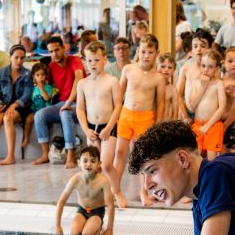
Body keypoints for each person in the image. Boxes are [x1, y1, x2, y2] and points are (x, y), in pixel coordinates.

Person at [115, 34, 166, 207]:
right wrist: (114, 116)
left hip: (145, 118)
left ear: (156, 53)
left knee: (143, 158)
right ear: (138, 51)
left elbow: (161, 103)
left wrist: (157, 127)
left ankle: (143, 192)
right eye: (143, 51)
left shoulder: (158, 78)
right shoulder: (128, 69)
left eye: (150, 52)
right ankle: (116, 191)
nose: (146, 55)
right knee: (120, 153)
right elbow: (118, 95)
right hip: (126, 115)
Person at [76, 41, 122, 204]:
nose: (93, 64)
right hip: (91, 129)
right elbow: (80, 109)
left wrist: (109, 127)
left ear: (104, 59)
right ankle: (97, 195)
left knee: (107, 164)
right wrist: (86, 130)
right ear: (85, 61)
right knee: (93, 166)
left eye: (96, 60)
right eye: (89, 61)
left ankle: (117, 192)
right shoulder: (82, 83)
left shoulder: (112, 81)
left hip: (108, 127)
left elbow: (118, 106)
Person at [32, 35, 84, 169]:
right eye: (51, 51)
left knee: (65, 114)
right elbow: (46, 86)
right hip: (62, 103)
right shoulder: (51, 66)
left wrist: (69, 101)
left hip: (78, 103)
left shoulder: (74, 60)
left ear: (64, 48)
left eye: (57, 50)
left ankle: (70, 155)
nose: (54, 54)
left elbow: (79, 78)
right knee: (39, 115)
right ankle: (45, 154)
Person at [0, 44, 33, 166]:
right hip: (4, 105)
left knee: (8, 117)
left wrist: (14, 105)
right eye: (16, 57)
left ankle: (11, 156)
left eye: (22, 58)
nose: (19, 61)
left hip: (20, 107)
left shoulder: (27, 74)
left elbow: (27, 95)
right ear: (10, 57)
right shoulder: (2, 72)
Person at [55, 145, 115, 235]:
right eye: (85, 161)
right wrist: (57, 226)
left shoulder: (103, 181)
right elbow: (61, 201)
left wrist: (109, 229)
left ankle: (99, 228)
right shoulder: (75, 179)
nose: (89, 164)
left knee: (87, 234)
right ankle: (90, 225)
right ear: (79, 163)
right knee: (73, 234)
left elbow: (111, 205)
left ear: (99, 164)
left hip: (96, 212)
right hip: (82, 211)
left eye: (93, 161)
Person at [188, 48, 226, 161]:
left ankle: (211, 178)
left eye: (210, 67)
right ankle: (200, 179)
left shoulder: (219, 84)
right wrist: (203, 86)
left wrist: (208, 126)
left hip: (213, 126)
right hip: (198, 124)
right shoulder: (195, 83)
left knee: (211, 160)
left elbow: (222, 108)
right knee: (197, 159)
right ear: (200, 66)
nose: (206, 70)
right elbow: (192, 104)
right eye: (203, 66)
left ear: (217, 68)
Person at [177, 29, 212, 122]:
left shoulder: (214, 69)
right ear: (191, 48)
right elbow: (178, 94)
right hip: (187, 113)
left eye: (203, 46)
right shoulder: (186, 68)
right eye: (195, 46)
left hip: (206, 115)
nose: (198, 49)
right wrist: (185, 116)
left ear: (210, 48)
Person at [157, 53, 179, 122]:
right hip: (150, 123)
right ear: (156, 67)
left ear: (174, 70)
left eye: (169, 67)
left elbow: (175, 113)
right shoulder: (152, 86)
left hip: (164, 124)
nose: (166, 70)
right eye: (163, 66)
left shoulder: (173, 89)